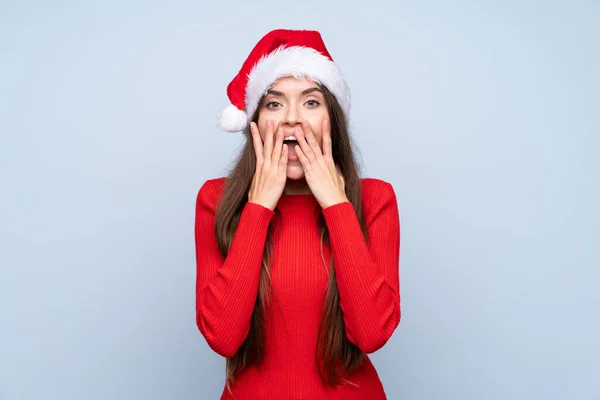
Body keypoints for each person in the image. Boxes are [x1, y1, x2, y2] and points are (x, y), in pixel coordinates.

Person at [194, 29, 401, 400]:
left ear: (332, 119)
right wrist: (258, 207)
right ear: (255, 121)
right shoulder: (216, 199)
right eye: (274, 104)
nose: (292, 118)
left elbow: (372, 334)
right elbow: (223, 337)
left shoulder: (375, 200)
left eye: (310, 102)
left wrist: (336, 205)